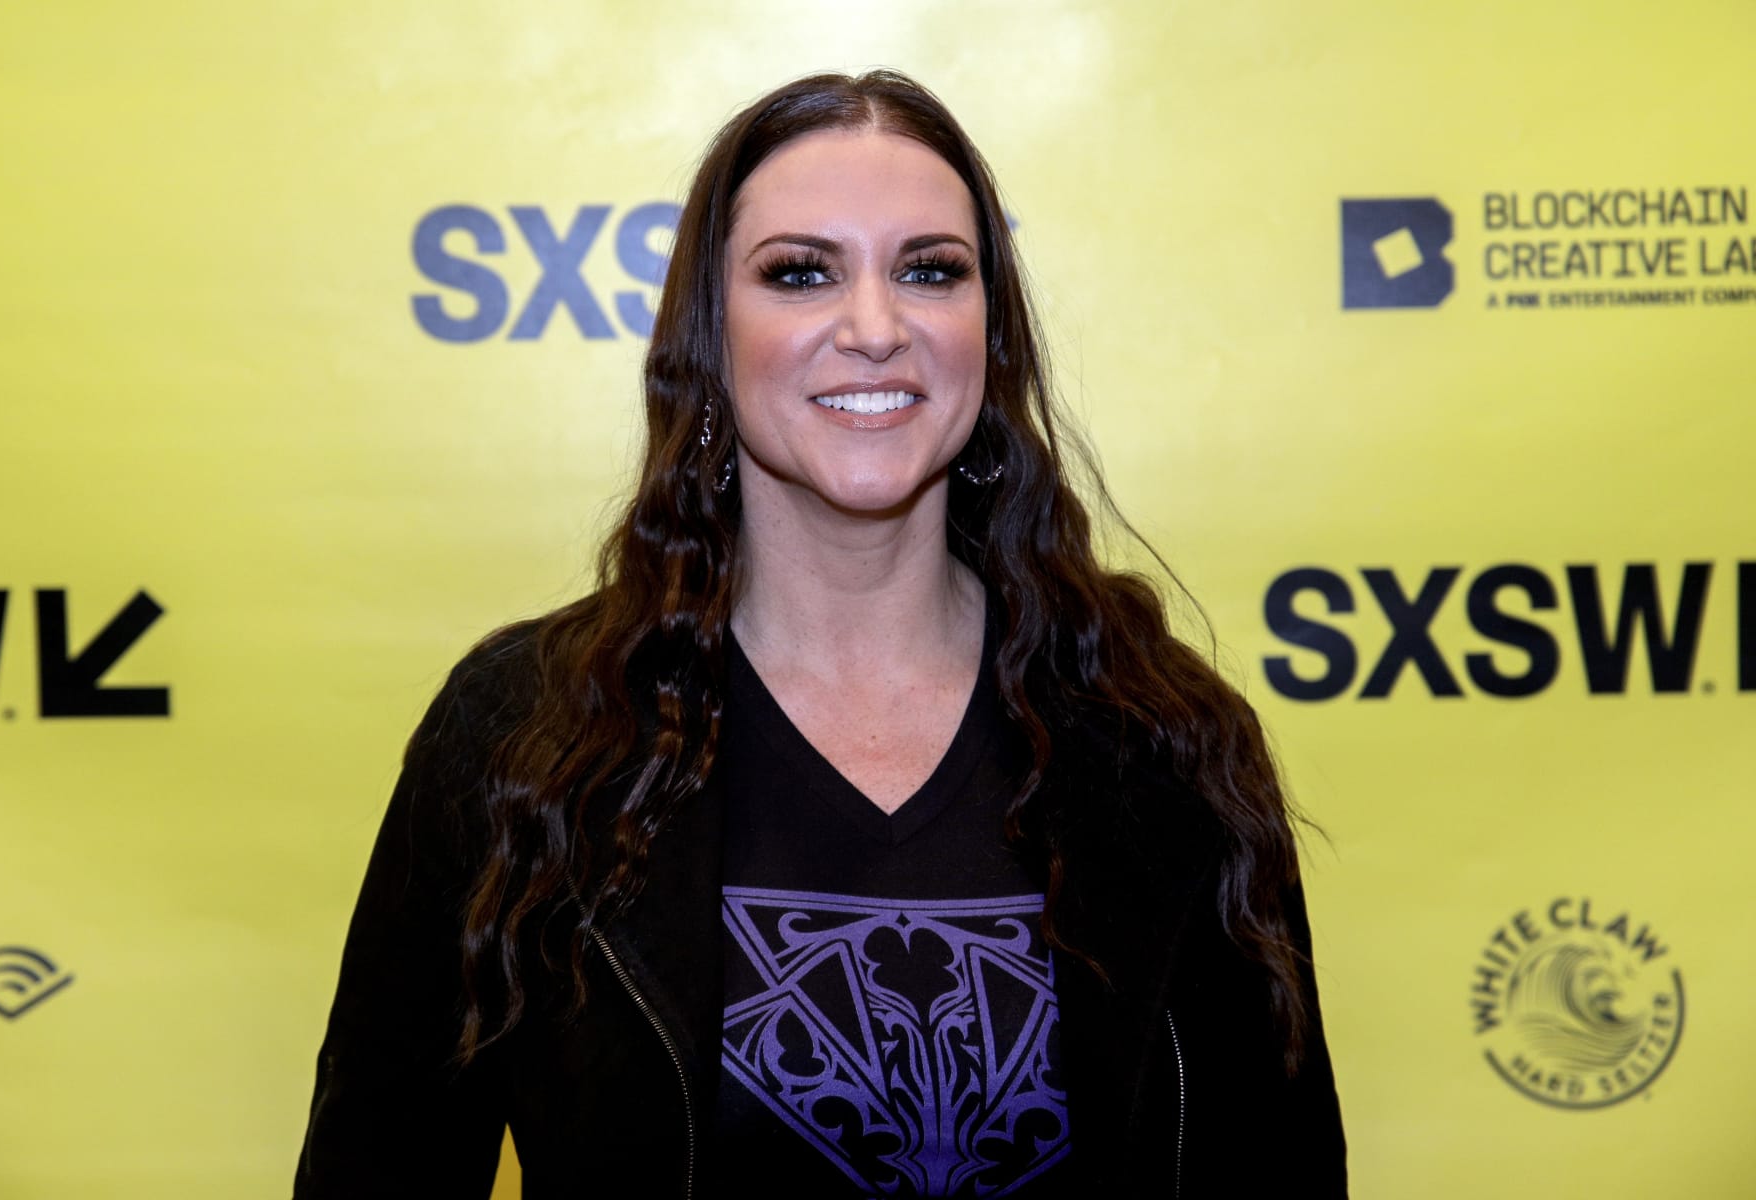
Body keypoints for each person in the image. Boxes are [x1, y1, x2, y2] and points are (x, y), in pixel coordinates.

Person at [294, 69, 1345, 1198]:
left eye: (930, 271)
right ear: (710, 335)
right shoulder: (524, 731)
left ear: (989, 336)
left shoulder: (1165, 738)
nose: (875, 328)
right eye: (801, 273)